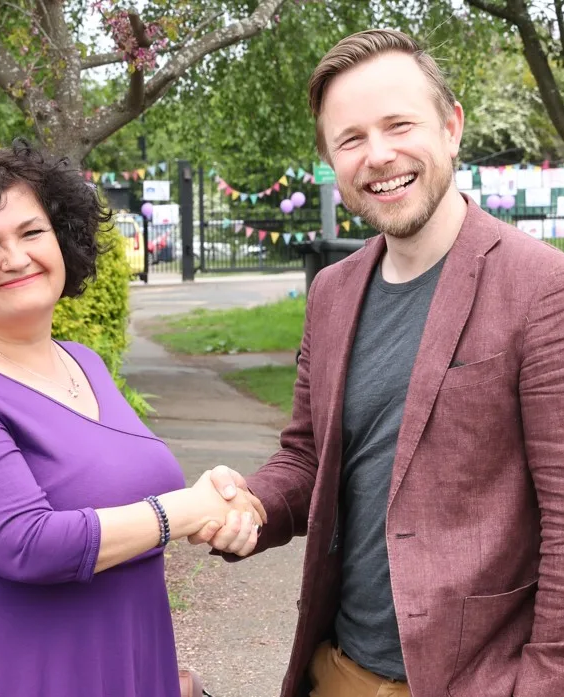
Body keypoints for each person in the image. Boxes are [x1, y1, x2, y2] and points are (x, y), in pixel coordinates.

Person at [193, 28, 564, 697]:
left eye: (399, 124)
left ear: (451, 126)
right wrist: (249, 503)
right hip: (336, 670)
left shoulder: (540, 287)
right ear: (329, 161)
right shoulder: (333, 292)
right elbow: (308, 456)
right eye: (351, 138)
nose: (378, 155)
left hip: (474, 680)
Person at [0, 141, 261, 697]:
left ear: (62, 239)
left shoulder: (83, 362)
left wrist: (221, 507)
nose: (16, 257)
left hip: (122, 661)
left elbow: (128, 497)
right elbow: (25, 543)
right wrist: (184, 509)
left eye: (32, 233)